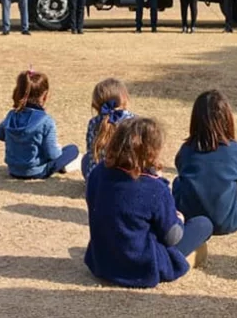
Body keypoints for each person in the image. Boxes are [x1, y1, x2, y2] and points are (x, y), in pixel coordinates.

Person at [85, 117, 213, 288]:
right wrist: (179, 220)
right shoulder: (154, 188)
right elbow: (172, 236)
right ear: (152, 151)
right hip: (142, 266)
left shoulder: (98, 173)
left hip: (102, 261)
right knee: (203, 224)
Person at [172, 90, 237, 235]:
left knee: (177, 181)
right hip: (225, 222)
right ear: (228, 118)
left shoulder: (186, 150)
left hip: (192, 217)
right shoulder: (236, 150)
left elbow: (182, 174)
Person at [0, 69, 80, 179]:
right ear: (45, 96)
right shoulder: (46, 121)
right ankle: (64, 166)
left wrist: (17, 140)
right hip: (37, 171)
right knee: (73, 149)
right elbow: (53, 154)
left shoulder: (12, 115)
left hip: (13, 170)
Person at [81, 78, 135, 181]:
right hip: (127, 179)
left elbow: (90, 151)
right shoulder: (135, 122)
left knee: (85, 159)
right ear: (125, 98)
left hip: (98, 181)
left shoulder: (93, 122)